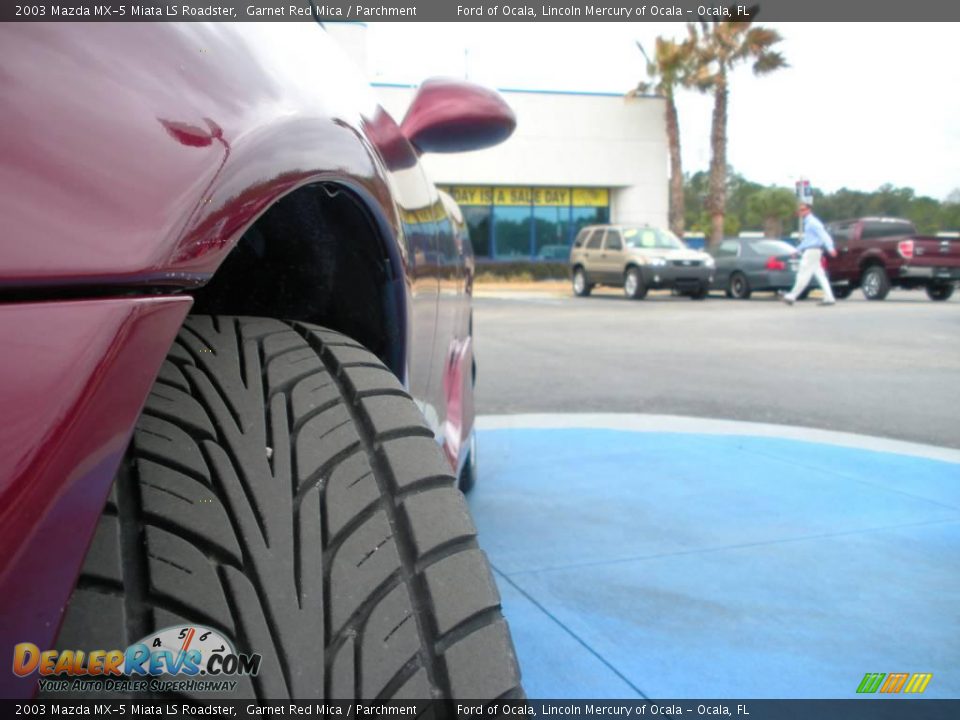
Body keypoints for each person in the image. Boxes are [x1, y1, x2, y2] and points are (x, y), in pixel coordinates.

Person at [783, 202, 838, 306]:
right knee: (820, 275)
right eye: (800, 210)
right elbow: (807, 240)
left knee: (803, 273)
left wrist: (830, 248)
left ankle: (791, 296)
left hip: (812, 251)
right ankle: (829, 297)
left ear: (809, 210)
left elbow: (824, 235)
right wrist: (797, 250)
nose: (801, 212)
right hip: (814, 251)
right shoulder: (808, 223)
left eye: (803, 210)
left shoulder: (813, 222)